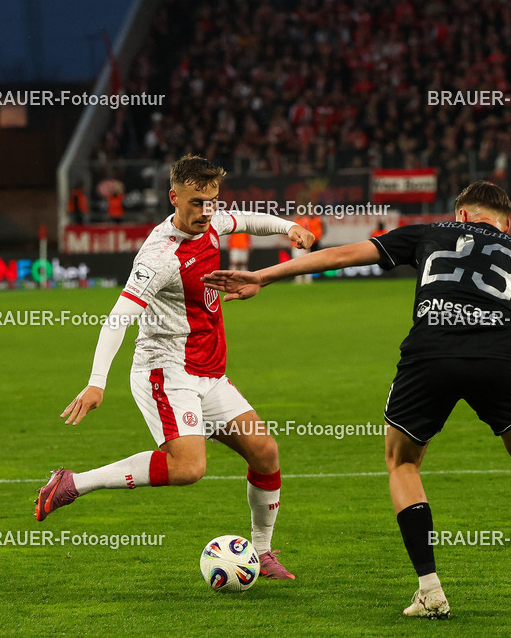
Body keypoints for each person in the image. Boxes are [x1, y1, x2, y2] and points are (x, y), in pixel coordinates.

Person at [204, 181, 511, 618]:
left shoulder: (429, 232)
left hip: (430, 355)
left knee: (404, 463)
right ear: (507, 222)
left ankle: (430, 590)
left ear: (463, 215)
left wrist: (261, 276)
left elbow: (339, 256)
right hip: (499, 358)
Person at [35, 154, 315, 582]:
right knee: (188, 469)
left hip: (209, 372)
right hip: (165, 372)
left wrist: (286, 227)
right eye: (196, 202)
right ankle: (73, 482)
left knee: (265, 452)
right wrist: (96, 383)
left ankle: (261, 553)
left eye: (212, 201)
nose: (206, 211)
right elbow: (119, 316)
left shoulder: (214, 221)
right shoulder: (159, 255)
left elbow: (244, 220)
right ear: (174, 197)